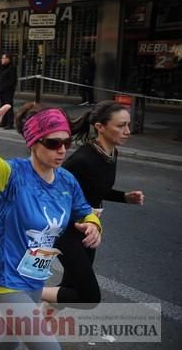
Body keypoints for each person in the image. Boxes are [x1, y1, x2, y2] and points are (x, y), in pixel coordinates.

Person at [0, 92, 102, 350]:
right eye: (52, 143)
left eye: (66, 143)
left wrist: (93, 225)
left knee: (7, 342)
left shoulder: (66, 181)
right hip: (5, 277)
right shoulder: (13, 175)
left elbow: (85, 211)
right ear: (33, 143)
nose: (61, 150)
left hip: (36, 276)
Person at [41, 100, 145, 308]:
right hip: (67, 230)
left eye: (128, 124)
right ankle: (22, 289)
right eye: (120, 125)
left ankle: (33, 329)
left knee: (70, 286)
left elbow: (95, 188)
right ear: (100, 127)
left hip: (89, 230)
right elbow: (52, 191)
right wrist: (77, 218)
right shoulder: (83, 160)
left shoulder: (110, 152)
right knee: (86, 294)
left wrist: (125, 197)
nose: (127, 131)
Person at [0, 53, 17, 129]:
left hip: (8, 91)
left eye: (3, 58)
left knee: (8, 107)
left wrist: (5, 87)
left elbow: (13, 81)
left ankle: (10, 123)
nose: (2, 59)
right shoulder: (3, 68)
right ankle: (3, 122)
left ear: (8, 59)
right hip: (2, 91)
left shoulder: (12, 68)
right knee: (2, 107)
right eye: (2, 58)